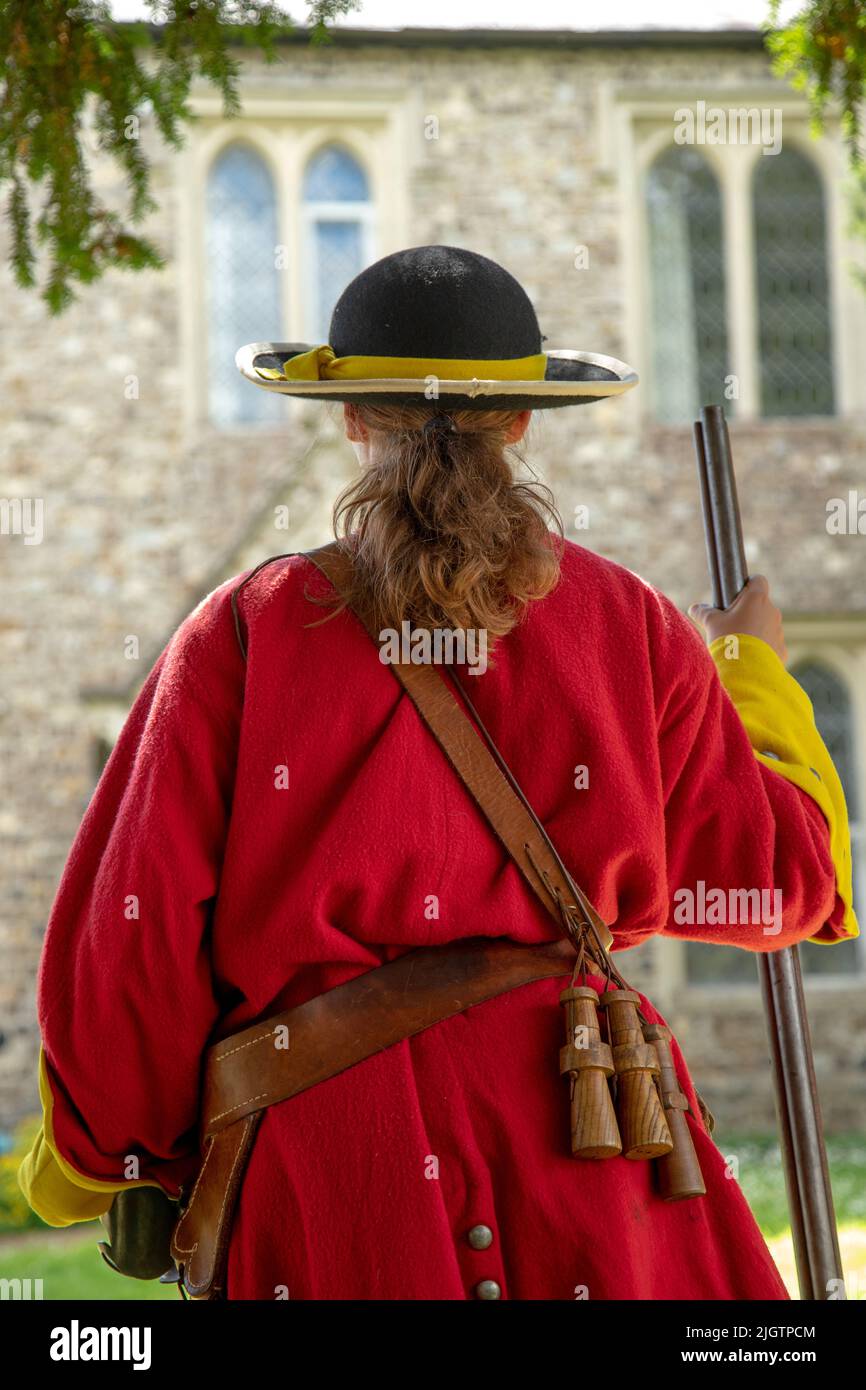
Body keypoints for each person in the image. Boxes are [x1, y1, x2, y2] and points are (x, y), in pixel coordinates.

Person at [19, 245, 857, 1300]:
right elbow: (787, 877)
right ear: (518, 420)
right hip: (590, 1125)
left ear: (350, 418)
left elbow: (127, 961)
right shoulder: (632, 626)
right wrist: (747, 665)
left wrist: (110, 1161)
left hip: (333, 1169)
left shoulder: (242, 634)